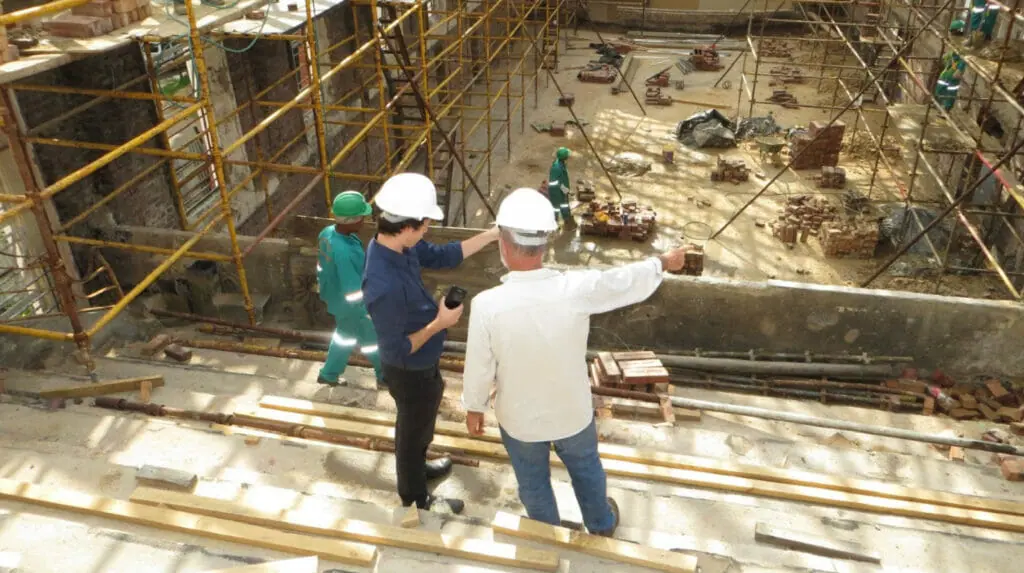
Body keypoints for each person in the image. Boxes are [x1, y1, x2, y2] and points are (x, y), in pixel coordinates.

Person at [461, 188, 689, 537]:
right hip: (572, 413)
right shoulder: (575, 289)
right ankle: (600, 524)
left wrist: (474, 407)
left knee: (533, 484)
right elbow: (622, 281)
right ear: (546, 244)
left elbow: (479, 366)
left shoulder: (487, 305)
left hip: (520, 419)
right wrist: (662, 262)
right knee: (587, 471)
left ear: (503, 245)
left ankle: (547, 533)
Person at [363, 172, 499, 514]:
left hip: (424, 362)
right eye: (424, 225)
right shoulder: (383, 284)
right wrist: (440, 323)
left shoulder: (398, 243)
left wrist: (492, 235)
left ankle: (418, 469)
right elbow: (394, 349)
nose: (427, 231)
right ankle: (414, 496)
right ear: (407, 226)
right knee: (412, 428)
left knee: (420, 424)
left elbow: (443, 256)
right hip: (408, 369)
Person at [316, 190, 381, 387]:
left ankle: (328, 374)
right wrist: (366, 311)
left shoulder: (328, 233)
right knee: (374, 342)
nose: (364, 220)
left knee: (344, 336)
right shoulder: (344, 252)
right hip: (352, 306)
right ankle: (386, 377)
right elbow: (352, 291)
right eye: (361, 217)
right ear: (350, 221)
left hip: (336, 299)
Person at [547, 147, 574, 227]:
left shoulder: (561, 164)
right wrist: (564, 189)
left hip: (561, 191)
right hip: (556, 192)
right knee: (556, 208)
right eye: (567, 157)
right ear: (564, 158)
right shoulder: (556, 167)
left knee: (564, 205)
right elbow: (554, 182)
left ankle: (567, 220)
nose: (568, 158)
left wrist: (566, 190)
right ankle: (553, 223)